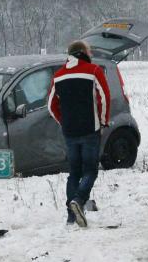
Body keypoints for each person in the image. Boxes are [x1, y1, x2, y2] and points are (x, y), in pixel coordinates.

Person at [48, 40, 111, 227]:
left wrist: (63, 121)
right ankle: (79, 200)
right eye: (89, 50)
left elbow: (51, 106)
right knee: (90, 171)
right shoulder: (93, 71)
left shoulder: (58, 75)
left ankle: (71, 216)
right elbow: (104, 98)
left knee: (74, 173)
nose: (91, 53)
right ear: (82, 52)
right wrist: (103, 121)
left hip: (69, 132)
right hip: (90, 130)